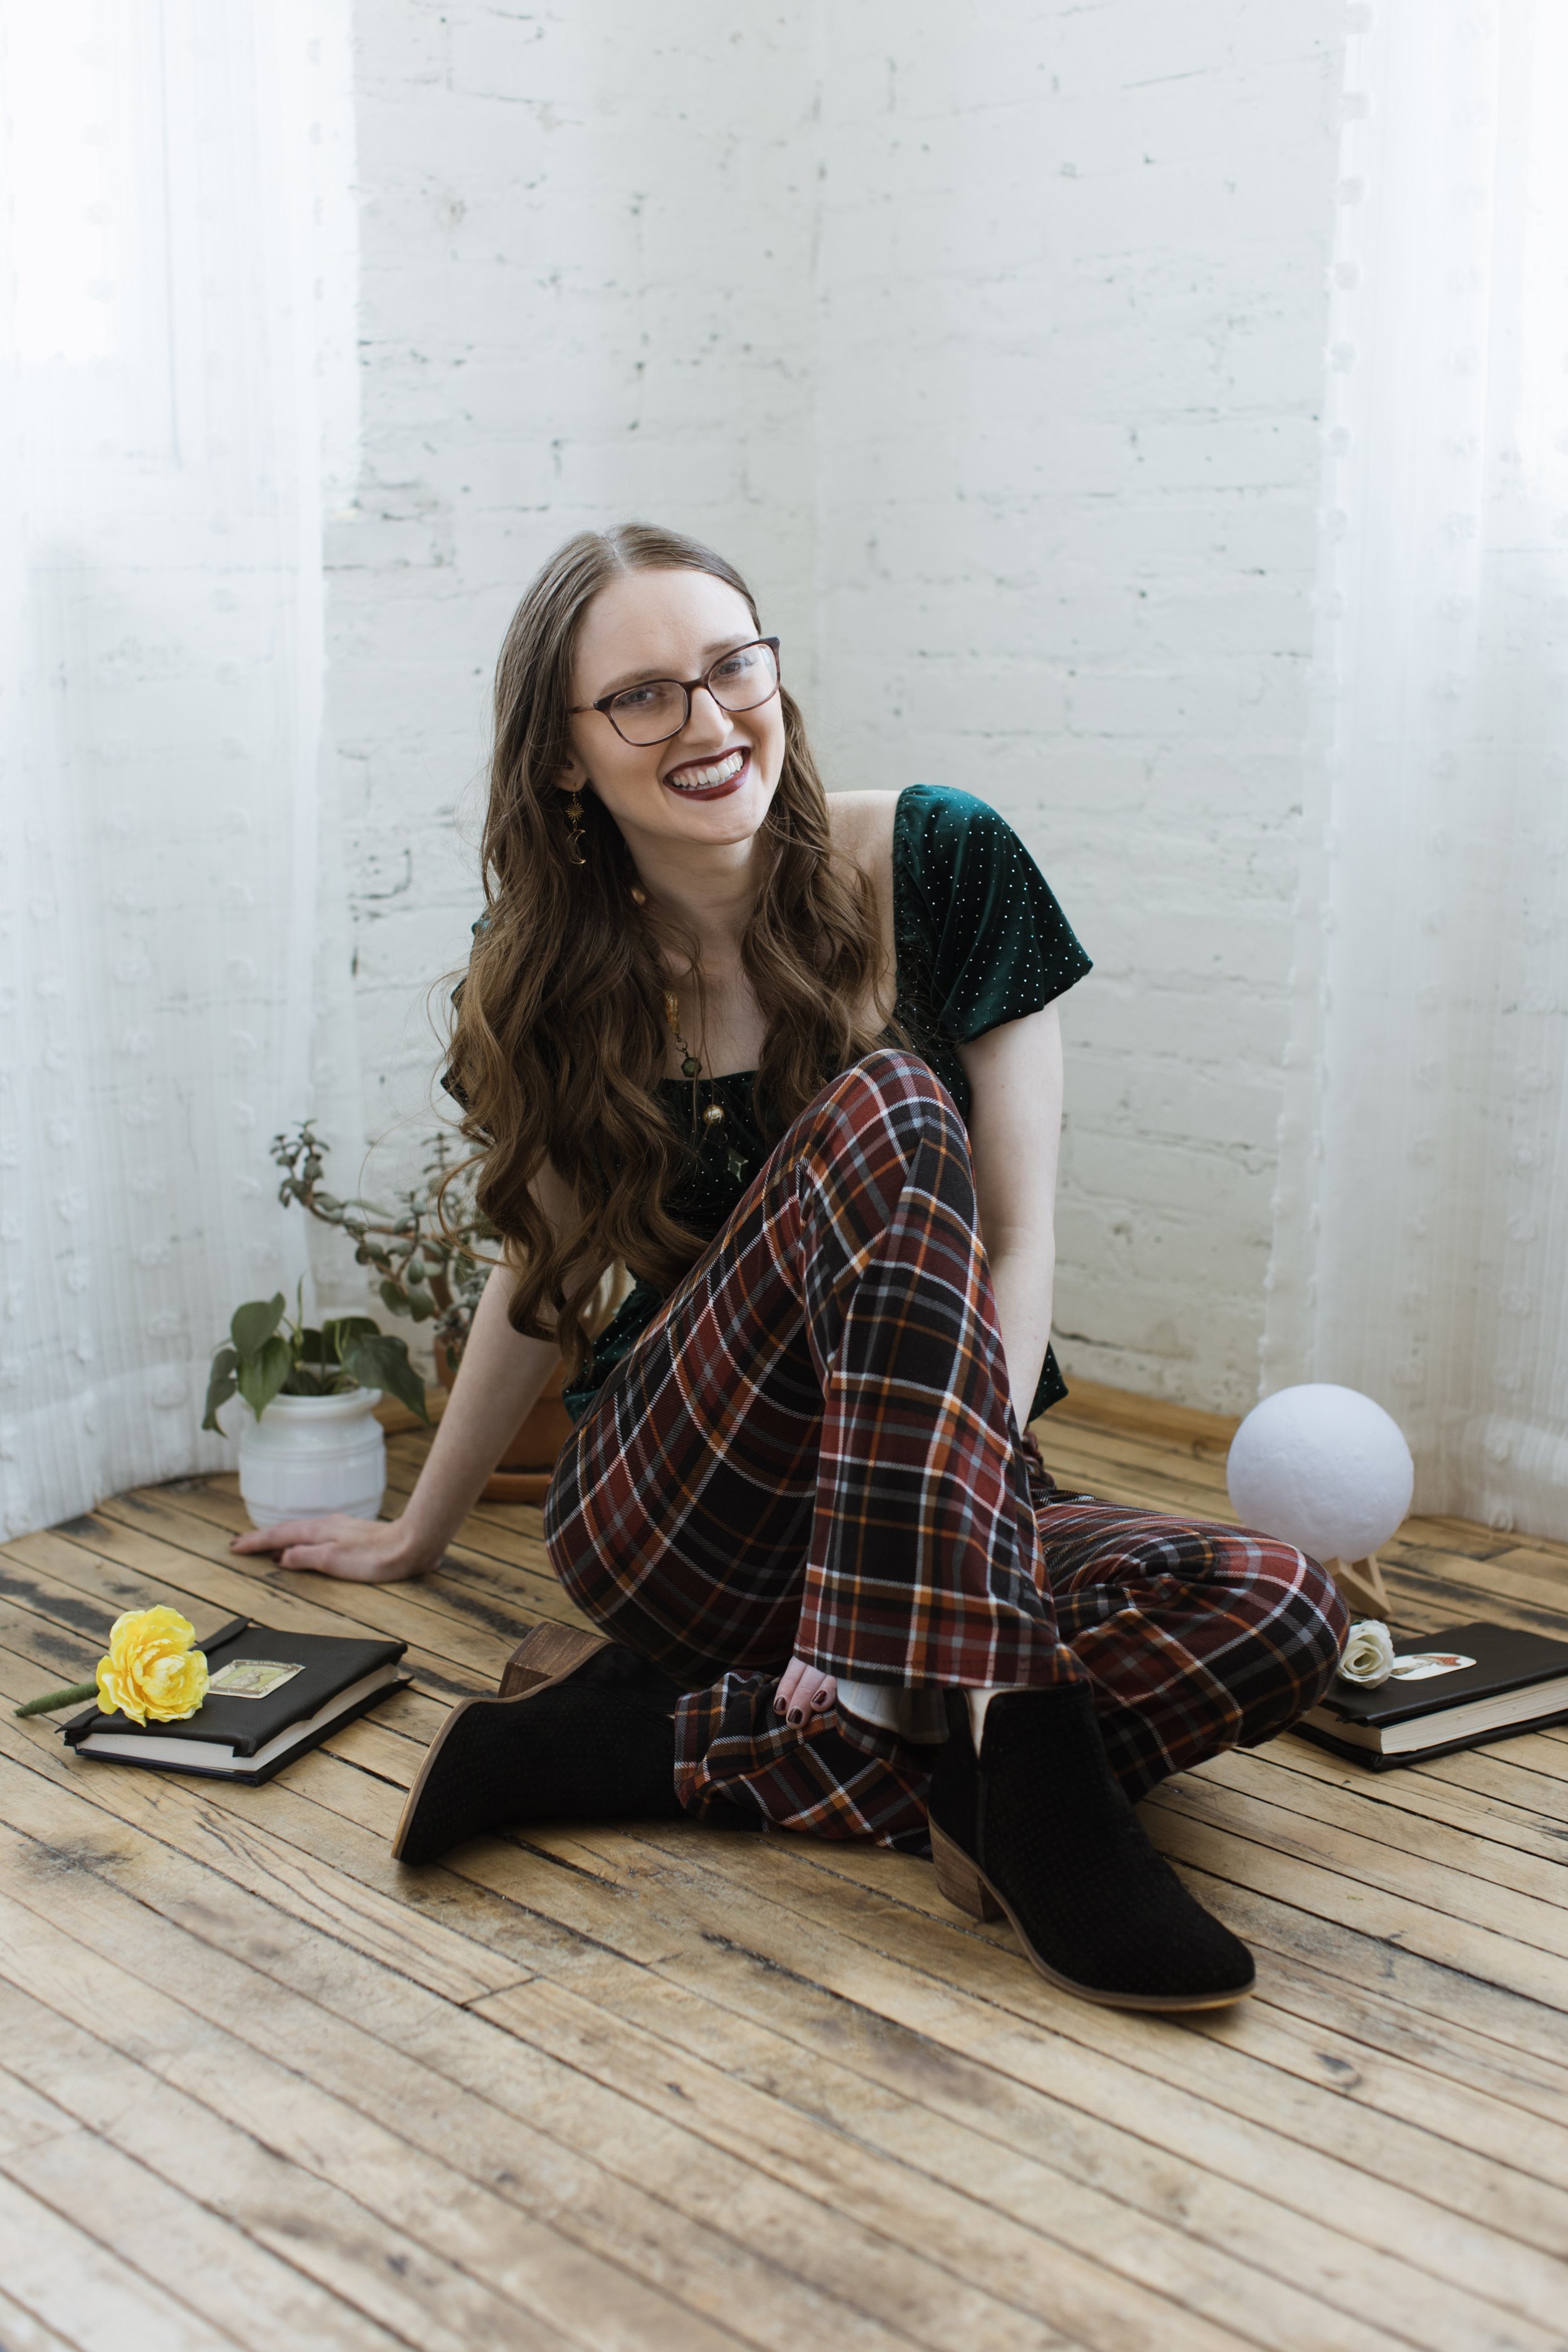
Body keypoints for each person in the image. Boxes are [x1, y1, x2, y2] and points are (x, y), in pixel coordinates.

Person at [233, 522, 1347, 2011]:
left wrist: (915, 1553)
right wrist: (413, 1533)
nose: (707, 723)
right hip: (683, 1500)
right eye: (642, 697)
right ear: (562, 758)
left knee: (1281, 1607)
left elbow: (1019, 1242)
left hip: (934, 1491)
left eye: (731, 667)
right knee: (889, 1106)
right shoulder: (547, 967)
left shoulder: (940, 860)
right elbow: (539, 1274)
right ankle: (1014, 1752)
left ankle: (649, 1745)